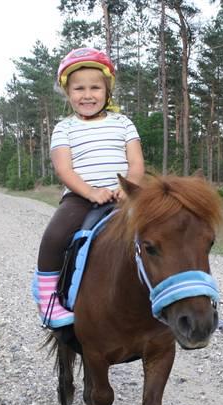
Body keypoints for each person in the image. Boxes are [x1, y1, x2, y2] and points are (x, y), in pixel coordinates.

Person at [34, 47, 145, 327]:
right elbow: (64, 169)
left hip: (123, 197)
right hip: (80, 198)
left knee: (162, 233)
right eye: (78, 88)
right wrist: (90, 192)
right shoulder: (64, 128)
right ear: (68, 93)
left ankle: (169, 292)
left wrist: (129, 187)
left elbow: (136, 163)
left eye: (95, 87)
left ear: (107, 90)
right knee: (54, 236)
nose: (87, 95)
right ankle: (49, 301)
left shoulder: (123, 123)